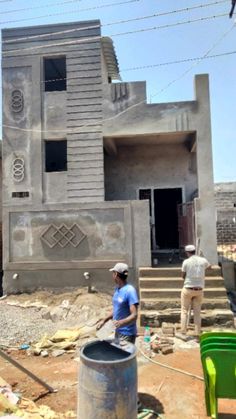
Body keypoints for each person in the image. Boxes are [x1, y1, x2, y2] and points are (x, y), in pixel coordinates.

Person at [97, 262, 139, 344]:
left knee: (125, 356)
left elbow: (134, 315)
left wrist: (120, 323)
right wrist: (104, 320)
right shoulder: (117, 289)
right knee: (103, 343)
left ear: (116, 274)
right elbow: (117, 309)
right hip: (117, 330)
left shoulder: (130, 291)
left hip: (127, 334)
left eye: (113, 273)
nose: (112, 275)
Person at [180, 244, 211, 337]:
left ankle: (183, 331)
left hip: (188, 288)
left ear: (187, 253)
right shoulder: (203, 260)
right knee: (197, 312)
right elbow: (210, 267)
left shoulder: (186, 262)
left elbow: (182, 276)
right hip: (199, 289)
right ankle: (197, 332)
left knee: (184, 310)